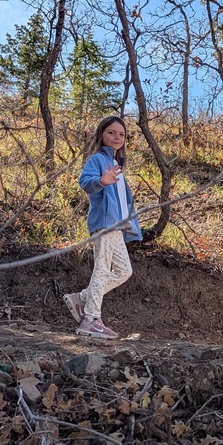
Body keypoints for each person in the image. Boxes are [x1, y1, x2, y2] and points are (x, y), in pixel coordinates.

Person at [61, 115, 142, 339]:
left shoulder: (118, 164)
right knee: (102, 270)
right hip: (104, 224)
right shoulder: (97, 160)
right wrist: (101, 182)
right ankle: (90, 320)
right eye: (111, 133)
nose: (117, 137)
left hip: (116, 226)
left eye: (121, 134)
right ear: (101, 135)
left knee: (124, 271)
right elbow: (85, 182)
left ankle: (82, 298)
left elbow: (123, 199)